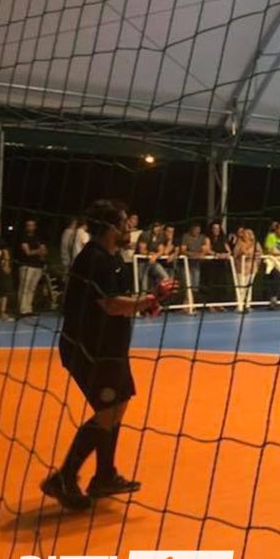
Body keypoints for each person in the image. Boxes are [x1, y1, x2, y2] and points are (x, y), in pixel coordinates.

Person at [41, 199, 178, 510]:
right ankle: (64, 477)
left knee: (116, 407)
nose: (129, 228)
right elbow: (111, 304)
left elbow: (121, 302)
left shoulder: (113, 258)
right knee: (108, 411)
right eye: (125, 223)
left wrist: (147, 304)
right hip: (89, 349)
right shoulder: (94, 260)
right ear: (110, 228)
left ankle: (104, 475)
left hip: (109, 349)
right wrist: (151, 298)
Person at [16, 219, 48, 317]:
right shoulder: (23, 238)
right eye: (28, 225)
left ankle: (28, 309)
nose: (30, 227)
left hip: (37, 265)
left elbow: (44, 251)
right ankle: (22, 310)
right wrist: (38, 251)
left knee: (32, 288)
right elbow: (28, 252)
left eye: (32, 225)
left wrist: (39, 251)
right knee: (24, 287)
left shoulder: (38, 238)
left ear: (35, 227)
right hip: (26, 265)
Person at [180, 222, 210, 312]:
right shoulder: (186, 237)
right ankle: (189, 306)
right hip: (186, 265)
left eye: (198, 229)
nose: (197, 231)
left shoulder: (202, 237)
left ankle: (189, 305)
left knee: (195, 286)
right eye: (195, 229)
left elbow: (205, 249)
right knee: (188, 285)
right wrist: (193, 255)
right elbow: (183, 250)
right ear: (191, 229)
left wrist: (201, 254)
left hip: (196, 265)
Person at [263, 222, 280, 310]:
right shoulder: (271, 236)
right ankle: (273, 298)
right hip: (271, 260)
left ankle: (274, 298)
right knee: (275, 278)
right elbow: (269, 250)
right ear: (277, 229)